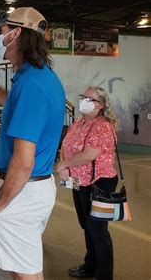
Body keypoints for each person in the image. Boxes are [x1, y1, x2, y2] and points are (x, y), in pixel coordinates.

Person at [0, 7, 65, 279]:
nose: (0, 38)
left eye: (3, 32)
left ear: (17, 35)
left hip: (24, 189)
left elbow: (24, 163)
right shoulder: (34, 78)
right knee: (25, 268)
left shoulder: (32, 86)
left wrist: (0, 205)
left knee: (26, 274)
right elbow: (12, 103)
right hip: (32, 187)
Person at [57, 86, 119, 280]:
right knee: (86, 225)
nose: (84, 100)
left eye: (89, 98)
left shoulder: (102, 126)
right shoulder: (79, 122)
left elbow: (90, 154)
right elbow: (65, 144)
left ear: (100, 105)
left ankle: (104, 274)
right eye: (83, 96)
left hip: (100, 183)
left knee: (98, 230)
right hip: (79, 182)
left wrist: (64, 164)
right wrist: (64, 165)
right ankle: (90, 265)